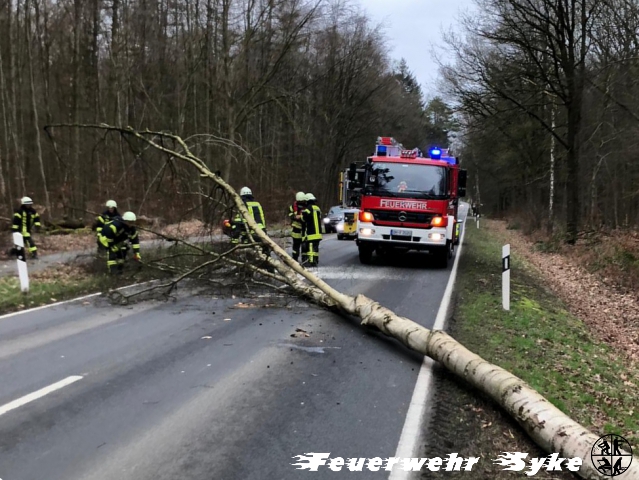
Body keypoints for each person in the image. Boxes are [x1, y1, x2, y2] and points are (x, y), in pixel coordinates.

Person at [301, 193, 323, 267]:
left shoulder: (308, 209)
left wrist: (301, 215)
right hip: (318, 233)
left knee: (311, 248)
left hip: (311, 233)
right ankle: (315, 260)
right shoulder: (317, 208)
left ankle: (311, 261)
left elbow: (303, 219)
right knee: (315, 248)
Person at [288, 191, 306, 261]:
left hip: (304, 229)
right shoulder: (292, 207)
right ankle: (295, 259)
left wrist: (301, 217)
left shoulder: (307, 206)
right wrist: (295, 217)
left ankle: (304, 260)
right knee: (296, 246)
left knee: (304, 246)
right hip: (296, 229)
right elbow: (290, 214)